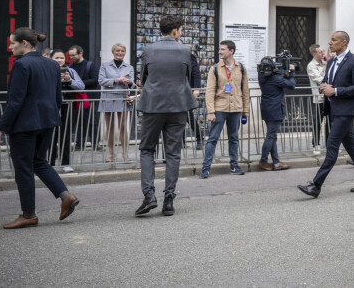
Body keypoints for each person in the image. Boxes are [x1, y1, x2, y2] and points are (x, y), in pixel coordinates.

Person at [0, 27, 79, 229]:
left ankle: (29, 214)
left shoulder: (21, 65)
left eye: (12, 42)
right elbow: (58, 97)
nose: (10, 46)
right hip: (47, 121)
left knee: (24, 168)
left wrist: (0, 129)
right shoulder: (51, 65)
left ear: (24, 43)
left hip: (25, 125)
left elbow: (15, 101)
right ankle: (67, 196)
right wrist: (50, 116)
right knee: (39, 162)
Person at [297, 31, 354, 197]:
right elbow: (327, 80)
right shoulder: (331, 61)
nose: (330, 42)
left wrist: (336, 91)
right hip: (334, 109)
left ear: (344, 42)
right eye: (330, 39)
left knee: (332, 146)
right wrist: (324, 87)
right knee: (351, 147)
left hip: (346, 111)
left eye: (334, 40)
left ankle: (316, 185)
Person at [136, 15, 197, 216]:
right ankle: (169, 197)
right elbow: (186, 78)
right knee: (173, 152)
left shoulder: (148, 50)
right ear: (175, 31)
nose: (181, 33)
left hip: (153, 105)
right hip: (178, 105)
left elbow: (143, 77)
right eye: (180, 30)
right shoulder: (185, 50)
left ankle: (149, 195)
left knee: (146, 150)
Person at [200, 40, 249, 179]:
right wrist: (210, 111)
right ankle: (205, 168)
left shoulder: (241, 68)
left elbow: (245, 90)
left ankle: (234, 165)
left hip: (236, 108)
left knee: (234, 138)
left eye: (222, 49)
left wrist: (246, 110)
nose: (219, 51)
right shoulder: (214, 69)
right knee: (213, 139)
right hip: (220, 108)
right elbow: (209, 91)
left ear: (231, 51)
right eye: (219, 49)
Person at [257, 57, 296, 171]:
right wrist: (292, 72)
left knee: (272, 136)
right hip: (275, 110)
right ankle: (263, 161)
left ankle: (276, 162)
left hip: (266, 108)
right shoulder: (275, 78)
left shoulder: (261, 76)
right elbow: (292, 85)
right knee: (270, 137)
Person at [98, 43, 135, 163]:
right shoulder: (105, 66)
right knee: (109, 127)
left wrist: (129, 82)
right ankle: (110, 153)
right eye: (117, 51)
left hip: (123, 98)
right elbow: (101, 80)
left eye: (122, 51)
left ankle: (125, 153)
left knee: (123, 126)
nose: (120, 53)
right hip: (108, 97)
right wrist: (116, 80)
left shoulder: (129, 67)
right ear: (113, 52)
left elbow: (133, 84)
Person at [49, 49, 84, 171]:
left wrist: (69, 80)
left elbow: (81, 86)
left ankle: (65, 163)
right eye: (56, 58)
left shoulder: (71, 71)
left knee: (66, 134)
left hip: (67, 106)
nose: (59, 60)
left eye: (62, 58)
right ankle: (50, 162)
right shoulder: (46, 70)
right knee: (51, 135)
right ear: (51, 59)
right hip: (51, 106)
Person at [69, 45, 100, 151]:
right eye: (70, 55)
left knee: (92, 121)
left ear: (80, 53)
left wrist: (79, 83)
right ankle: (79, 143)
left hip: (89, 97)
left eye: (73, 55)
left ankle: (95, 143)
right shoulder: (70, 66)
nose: (71, 57)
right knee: (79, 120)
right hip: (77, 97)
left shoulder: (89, 65)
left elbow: (95, 80)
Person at [307, 44, 326, 155]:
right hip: (319, 98)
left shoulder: (325, 63)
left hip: (329, 97)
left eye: (323, 51)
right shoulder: (311, 65)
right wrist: (330, 79)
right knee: (317, 122)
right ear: (314, 54)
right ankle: (316, 145)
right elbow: (318, 79)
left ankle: (330, 144)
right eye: (320, 52)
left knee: (330, 122)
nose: (323, 53)